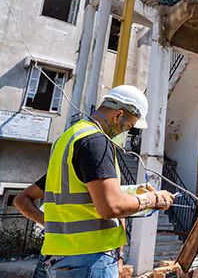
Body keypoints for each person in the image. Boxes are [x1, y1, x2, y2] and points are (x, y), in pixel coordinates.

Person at [41, 85, 176, 278]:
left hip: (61, 255)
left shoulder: (67, 138)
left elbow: (85, 191)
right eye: (128, 127)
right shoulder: (96, 141)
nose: (125, 134)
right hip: (90, 256)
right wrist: (154, 199)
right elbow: (110, 207)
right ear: (118, 115)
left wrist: (131, 191)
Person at [14, 176, 47, 278]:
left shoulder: (58, 170)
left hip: (50, 252)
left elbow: (21, 200)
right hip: (86, 253)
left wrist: (50, 224)